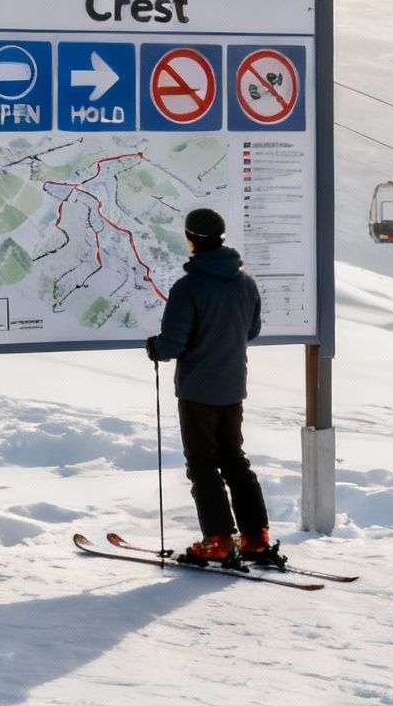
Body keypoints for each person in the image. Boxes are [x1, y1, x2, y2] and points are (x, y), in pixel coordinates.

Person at [145, 207, 272, 564]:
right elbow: (252, 331)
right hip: (233, 386)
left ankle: (217, 539)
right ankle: (255, 536)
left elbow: (172, 345)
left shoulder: (188, 287)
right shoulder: (245, 281)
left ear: (191, 239)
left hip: (198, 390)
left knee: (202, 464)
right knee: (234, 459)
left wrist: (155, 346)